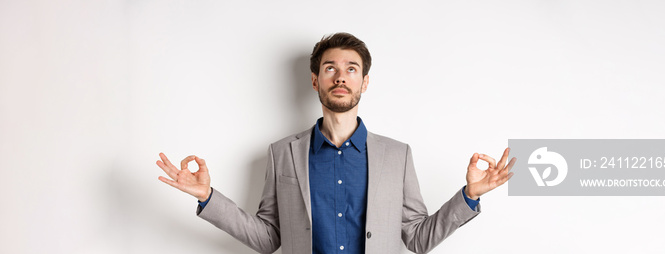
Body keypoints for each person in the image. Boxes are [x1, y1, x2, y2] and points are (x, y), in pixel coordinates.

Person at [156, 32, 516, 254]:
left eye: (351, 69)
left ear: (364, 82)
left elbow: (418, 239)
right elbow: (268, 238)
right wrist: (207, 197)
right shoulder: (283, 153)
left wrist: (469, 196)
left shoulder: (398, 155)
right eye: (330, 68)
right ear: (315, 81)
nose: (341, 76)